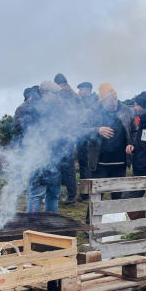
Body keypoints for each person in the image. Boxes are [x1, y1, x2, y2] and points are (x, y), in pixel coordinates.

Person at [80, 83, 135, 214]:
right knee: (97, 196)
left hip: (120, 163)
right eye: (110, 101)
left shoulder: (127, 111)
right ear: (102, 101)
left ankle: (116, 222)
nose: (114, 103)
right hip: (99, 164)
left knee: (118, 196)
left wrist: (132, 144)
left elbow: (135, 131)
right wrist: (97, 130)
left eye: (115, 99)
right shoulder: (92, 112)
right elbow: (80, 130)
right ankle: (90, 223)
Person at [27, 80, 63, 212]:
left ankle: (51, 222)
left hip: (55, 159)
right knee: (37, 194)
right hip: (39, 159)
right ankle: (32, 222)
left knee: (53, 194)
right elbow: (31, 134)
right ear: (44, 93)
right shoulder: (34, 109)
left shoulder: (57, 110)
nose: (57, 96)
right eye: (55, 93)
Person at [54, 74, 84, 206]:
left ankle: (56, 194)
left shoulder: (57, 94)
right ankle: (71, 196)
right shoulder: (76, 96)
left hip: (58, 135)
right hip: (72, 136)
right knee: (70, 167)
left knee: (56, 166)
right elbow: (82, 114)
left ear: (56, 83)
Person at [76, 82, 97, 201]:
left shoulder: (91, 103)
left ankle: (86, 194)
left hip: (87, 139)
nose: (79, 92)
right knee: (86, 166)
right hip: (85, 138)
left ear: (88, 90)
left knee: (86, 166)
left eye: (81, 90)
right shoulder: (88, 101)